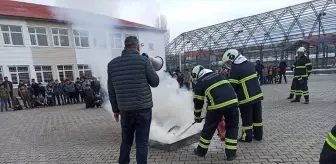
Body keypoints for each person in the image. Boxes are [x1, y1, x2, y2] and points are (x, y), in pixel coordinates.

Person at [107, 36, 159, 164]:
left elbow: (111, 90)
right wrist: (149, 64)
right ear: (137, 47)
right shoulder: (143, 61)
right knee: (142, 143)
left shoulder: (112, 64)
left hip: (125, 110)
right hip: (143, 109)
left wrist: (115, 110)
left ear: (125, 46)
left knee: (126, 142)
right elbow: (155, 82)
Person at [191, 65, 239, 161]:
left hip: (216, 106)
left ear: (197, 75)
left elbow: (198, 102)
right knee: (232, 127)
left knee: (208, 129)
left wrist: (197, 116)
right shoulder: (219, 75)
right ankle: (231, 154)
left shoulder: (201, 82)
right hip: (233, 103)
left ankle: (201, 151)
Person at [223, 49, 264, 143]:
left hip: (246, 99)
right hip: (257, 95)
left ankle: (247, 137)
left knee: (247, 118)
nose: (228, 64)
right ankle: (259, 135)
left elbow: (232, 87)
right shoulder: (250, 64)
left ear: (232, 59)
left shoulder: (235, 69)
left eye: (228, 62)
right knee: (257, 117)